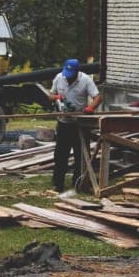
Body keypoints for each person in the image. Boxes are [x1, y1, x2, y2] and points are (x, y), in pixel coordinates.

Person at [49, 58, 102, 193]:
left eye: (71, 75)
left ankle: (78, 182)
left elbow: (97, 97)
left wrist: (90, 108)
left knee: (81, 155)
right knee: (60, 155)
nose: (68, 78)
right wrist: (56, 98)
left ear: (77, 72)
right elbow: (51, 94)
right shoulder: (59, 77)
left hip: (79, 123)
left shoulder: (85, 80)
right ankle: (57, 183)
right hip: (63, 122)